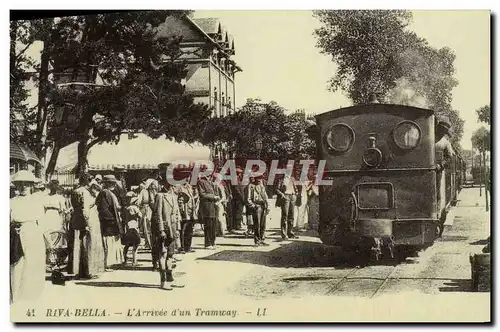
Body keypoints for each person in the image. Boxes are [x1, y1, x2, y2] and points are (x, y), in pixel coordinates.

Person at [10, 170, 51, 303]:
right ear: (16, 185)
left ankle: (31, 296)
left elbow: (43, 223)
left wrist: (48, 241)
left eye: (26, 184)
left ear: (31, 185)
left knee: (33, 264)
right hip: (16, 235)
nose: (23, 187)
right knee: (17, 265)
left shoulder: (36, 202)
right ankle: (16, 295)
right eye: (20, 184)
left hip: (33, 234)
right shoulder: (10, 202)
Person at [151, 172, 184, 290]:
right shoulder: (160, 196)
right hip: (165, 229)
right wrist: (161, 230)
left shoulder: (174, 196)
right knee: (163, 254)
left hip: (173, 229)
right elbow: (158, 214)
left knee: (170, 254)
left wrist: (178, 230)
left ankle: (170, 279)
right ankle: (163, 280)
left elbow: (176, 215)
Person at [70, 175, 106, 279]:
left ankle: (79, 270)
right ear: (87, 182)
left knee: (79, 245)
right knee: (89, 245)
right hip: (88, 219)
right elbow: (85, 209)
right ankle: (88, 271)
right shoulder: (85, 193)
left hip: (76, 219)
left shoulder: (75, 191)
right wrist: (86, 223)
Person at [96, 175, 125, 271]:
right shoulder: (105, 193)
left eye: (113, 183)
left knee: (113, 241)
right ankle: (107, 264)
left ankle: (111, 262)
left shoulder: (110, 193)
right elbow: (103, 209)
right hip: (109, 221)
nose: (113, 184)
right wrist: (111, 219)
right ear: (107, 184)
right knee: (108, 242)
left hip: (112, 220)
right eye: (111, 183)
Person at [435, 116, 454, 236]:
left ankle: (438, 219)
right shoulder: (426, 137)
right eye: (441, 128)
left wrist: (440, 165)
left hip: (437, 173)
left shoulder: (445, 142)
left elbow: (449, 157)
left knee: (438, 196)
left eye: (444, 130)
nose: (442, 131)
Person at [197, 169, 219, 249]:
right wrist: (213, 197)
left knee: (213, 225)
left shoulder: (211, 181)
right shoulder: (201, 181)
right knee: (208, 225)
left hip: (213, 206)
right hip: (206, 206)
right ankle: (208, 243)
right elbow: (202, 194)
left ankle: (213, 242)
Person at [246, 175, 270, 246]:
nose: (259, 180)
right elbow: (248, 198)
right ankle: (257, 241)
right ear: (255, 178)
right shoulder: (251, 186)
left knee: (263, 224)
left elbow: (265, 197)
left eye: (260, 178)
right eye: (258, 178)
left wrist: (267, 206)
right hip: (256, 206)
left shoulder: (262, 186)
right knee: (257, 224)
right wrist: (253, 206)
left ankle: (262, 239)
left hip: (263, 206)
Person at [177, 174, 198, 253]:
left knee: (189, 230)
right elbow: (180, 201)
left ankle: (188, 247)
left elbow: (193, 197)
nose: (187, 179)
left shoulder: (189, 186)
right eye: (186, 177)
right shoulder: (179, 187)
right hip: (184, 212)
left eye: (188, 177)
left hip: (191, 212)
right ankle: (182, 247)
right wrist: (181, 211)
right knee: (183, 230)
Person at [137, 178, 158, 251]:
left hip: (154, 210)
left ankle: (154, 244)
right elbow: (138, 201)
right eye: (152, 184)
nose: (153, 186)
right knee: (147, 228)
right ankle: (148, 244)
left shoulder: (155, 192)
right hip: (146, 210)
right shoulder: (143, 191)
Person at [276, 174, 299, 240]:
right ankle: (284, 234)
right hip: (286, 196)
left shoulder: (292, 178)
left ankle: (290, 233)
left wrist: (296, 194)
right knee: (285, 216)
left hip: (292, 196)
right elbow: (277, 189)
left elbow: (296, 187)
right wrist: (282, 195)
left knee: (291, 216)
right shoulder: (281, 179)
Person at [122, 193, 142, 266]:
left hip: (127, 227)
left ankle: (125, 260)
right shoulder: (134, 208)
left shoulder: (126, 208)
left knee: (126, 245)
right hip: (133, 227)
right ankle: (134, 261)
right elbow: (140, 216)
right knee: (135, 245)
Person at [230, 168, 245, 232]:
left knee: (239, 212)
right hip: (237, 199)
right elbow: (237, 191)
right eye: (239, 173)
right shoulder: (235, 180)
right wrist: (242, 198)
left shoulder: (238, 180)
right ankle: (237, 226)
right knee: (238, 212)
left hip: (239, 199)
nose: (240, 175)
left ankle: (237, 225)